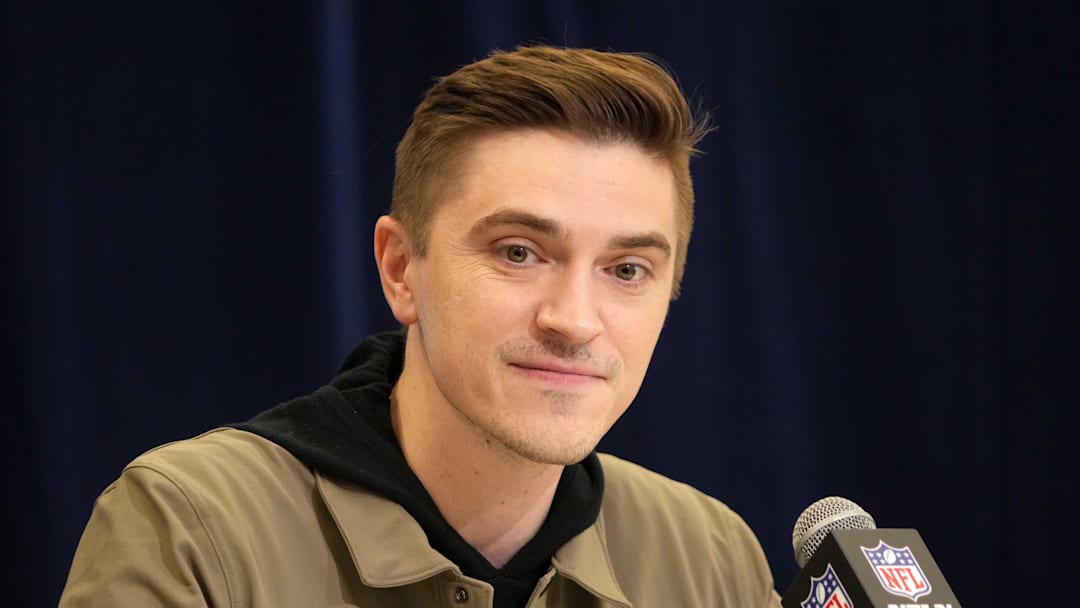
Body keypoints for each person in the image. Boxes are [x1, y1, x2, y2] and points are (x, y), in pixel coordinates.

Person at [60, 45, 781, 607]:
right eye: (519, 253)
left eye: (626, 270)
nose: (574, 321)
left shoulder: (711, 557)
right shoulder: (192, 528)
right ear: (402, 269)